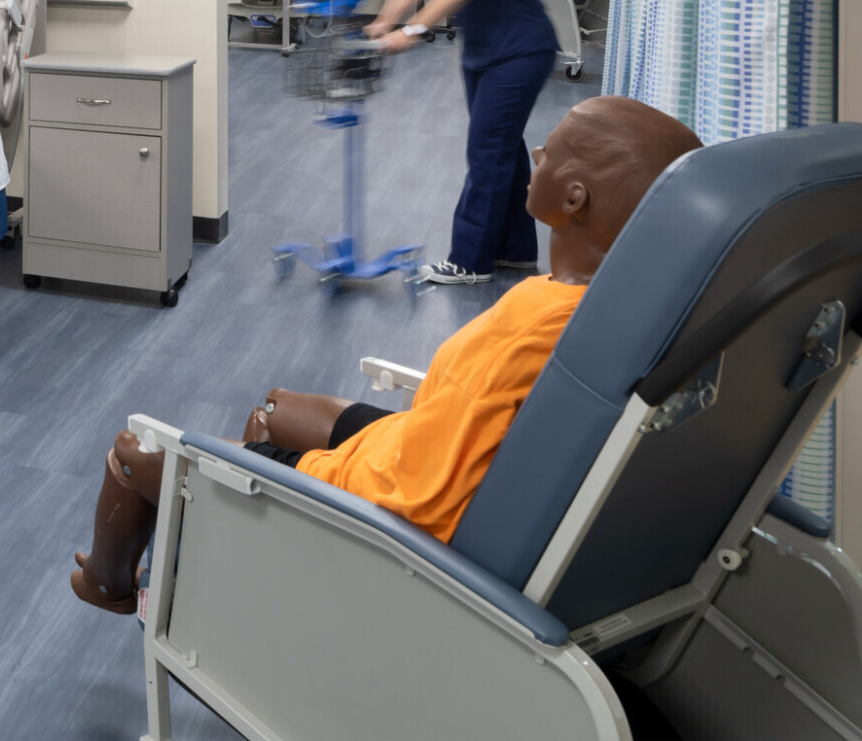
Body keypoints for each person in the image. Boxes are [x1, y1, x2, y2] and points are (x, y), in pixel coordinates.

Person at [68, 96, 703, 614]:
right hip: (427, 450)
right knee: (275, 409)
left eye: (553, 150)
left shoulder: (535, 325)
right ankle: (243, 564)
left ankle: (108, 584)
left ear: (574, 200)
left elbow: (422, 501)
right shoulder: (609, 304)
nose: (537, 153)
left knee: (133, 452)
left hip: (391, 508)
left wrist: (324, 476)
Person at [367, 0, 560, 285]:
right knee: (503, 148)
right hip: (482, 53)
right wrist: (381, 22)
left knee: (487, 149)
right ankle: (516, 251)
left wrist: (412, 30)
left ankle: (470, 261)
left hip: (520, 51)